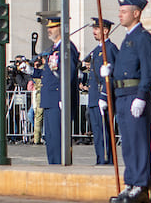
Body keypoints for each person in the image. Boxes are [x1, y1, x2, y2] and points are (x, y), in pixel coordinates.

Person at [109, 0, 151, 203]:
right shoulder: (128, 37)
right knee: (127, 142)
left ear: (136, 14)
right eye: (120, 11)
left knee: (138, 141)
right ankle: (130, 182)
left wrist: (141, 96)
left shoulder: (143, 38)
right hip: (122, 95)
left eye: (124, 11)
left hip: (134, 95)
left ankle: (140, 184)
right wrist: (110, 71)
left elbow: (148, 70)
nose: (120, 14)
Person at [37, 16, 79, 165]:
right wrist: (31, 70)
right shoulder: (54, 49)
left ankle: (60, 166)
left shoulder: (67, 48)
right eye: (48, 27)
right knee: (51, 138)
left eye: (53, 27)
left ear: (61, 29)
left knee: (58, 138)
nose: (49, 30)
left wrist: (64, 96)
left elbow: (69, 73)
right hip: (50, 99)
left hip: (58, 99)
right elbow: (50, 73)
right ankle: (53, 166)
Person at [86, 18, 119, 165]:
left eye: (97, 28)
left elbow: (110, 75)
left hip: (102, 97)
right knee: (97, 133)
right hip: (94, 97)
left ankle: (106, 160)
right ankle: (100, 158)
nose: (94, 31)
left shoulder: (110, 49)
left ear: (105, 31)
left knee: (104, 132)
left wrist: (105, 96)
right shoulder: (97, 50)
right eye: (94, 28)